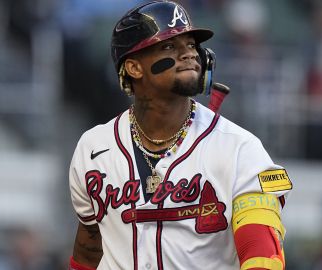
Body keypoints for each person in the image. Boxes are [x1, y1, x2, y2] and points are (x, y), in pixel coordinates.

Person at [68, 1, 293, 269]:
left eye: (190, 45)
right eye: (169, 46)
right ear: (134, 68)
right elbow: (89, 248)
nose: (189, 54)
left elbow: (262, 255)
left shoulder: (240, 148)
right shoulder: (93, 148)